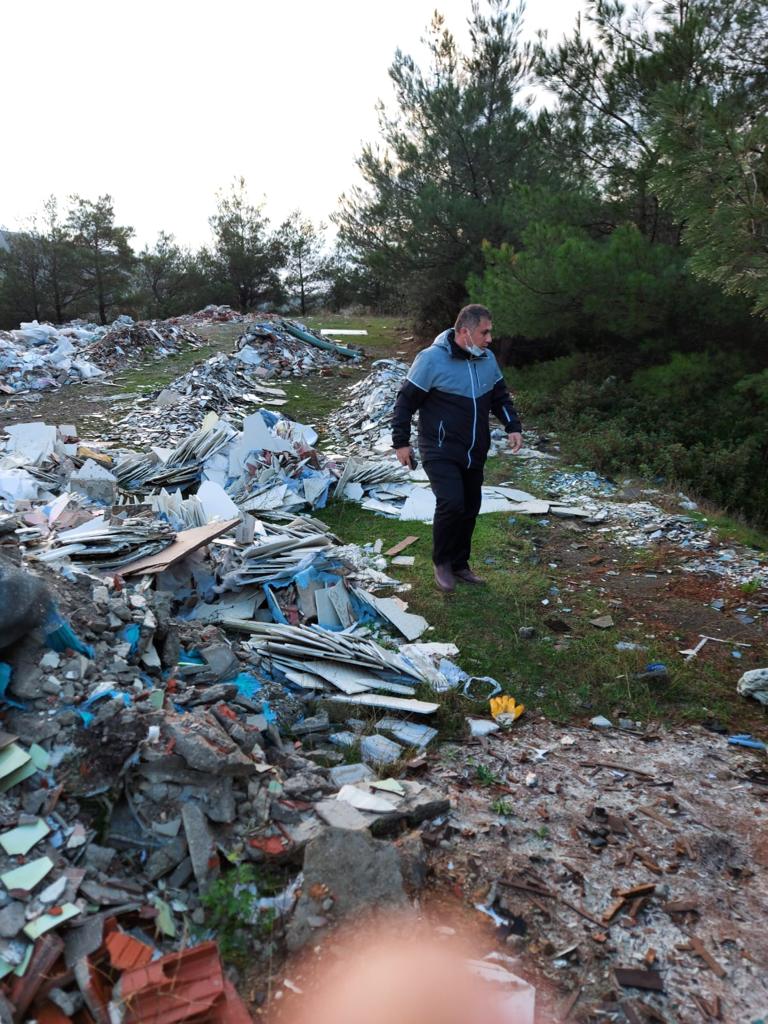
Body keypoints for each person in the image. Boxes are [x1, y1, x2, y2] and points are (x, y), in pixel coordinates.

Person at [391, 304, 522, 593]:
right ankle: (442, 563)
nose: (490, 339)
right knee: (451, 503)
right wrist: (401, 442)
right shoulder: (431, 360)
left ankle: (461, 564)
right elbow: (405, 402)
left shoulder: (486, 359)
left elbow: (500, 396)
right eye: (484, 332)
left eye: (490, 332)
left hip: (474, 449)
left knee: (470, 506)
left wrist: (513, 426)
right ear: (465, 331)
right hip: (439, 447)